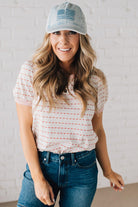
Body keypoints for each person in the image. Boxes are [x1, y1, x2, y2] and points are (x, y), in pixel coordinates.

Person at [13, 2, 124, 207]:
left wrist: (108, 171)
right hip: (42, 164)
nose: (63, 40)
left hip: (83, 169)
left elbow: (97, 129)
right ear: (49, 36)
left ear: (81, 36)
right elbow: (25, 129)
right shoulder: (31, 72)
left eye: (71, 32)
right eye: (56, 32)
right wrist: (38, 178)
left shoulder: (96, 80)